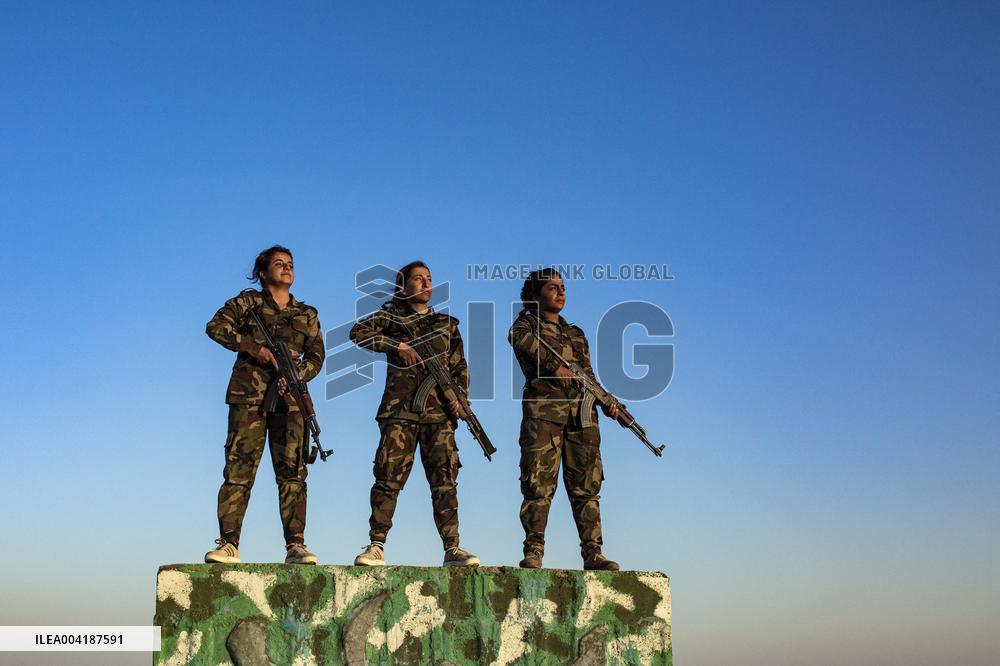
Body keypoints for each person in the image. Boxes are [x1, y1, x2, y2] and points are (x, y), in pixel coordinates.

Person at [349, 261, 479, 567]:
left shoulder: (447, 324)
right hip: (400, 411)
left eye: (429, 279)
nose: (426, 283)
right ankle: (376, 545)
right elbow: (358, 332)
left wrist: (459, 398)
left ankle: (452, 548)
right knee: (388, 477)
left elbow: (459, 366)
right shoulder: (391, 316)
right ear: (402, 287)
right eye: (418, 279)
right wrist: (396, 345)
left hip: (439, 415)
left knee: (444, 480)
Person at [203, 245, 324, 565]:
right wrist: (253, 348)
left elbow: (317, 355)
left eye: (290, 263)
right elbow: (215, 327)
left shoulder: (307, 314)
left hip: (291, 400)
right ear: (262, 272)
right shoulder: (247, 303)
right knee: (239, 470)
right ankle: (229, 543)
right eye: (279, 263)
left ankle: (295, 545)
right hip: (249, 397)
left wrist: (296, 373)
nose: (287, 268)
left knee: (293, 474)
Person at [508, 268, 620, 571]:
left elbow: (588, 375)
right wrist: (553, 366)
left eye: (563, 287)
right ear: (535, 295)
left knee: (587, 488)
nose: (560, 292)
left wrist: (608, 403)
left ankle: (593, 553)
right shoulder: (526, 326)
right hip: (544, 416)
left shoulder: (576, 334)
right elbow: (518, 339)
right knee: (538, 485)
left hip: (582, 419)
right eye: (552, 287)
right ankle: (534, 550)